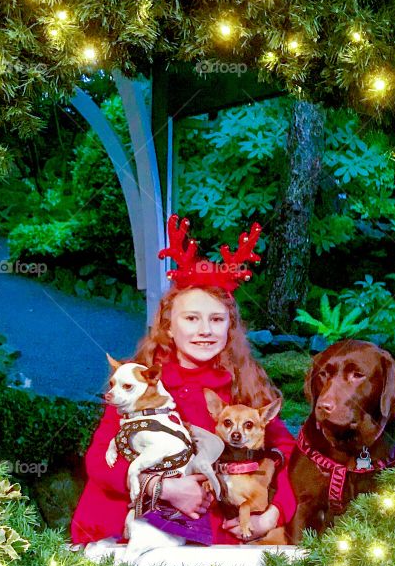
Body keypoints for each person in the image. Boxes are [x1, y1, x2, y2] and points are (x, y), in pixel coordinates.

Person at [70, 217, 296, 546]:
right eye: (191, 318)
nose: (205, 330)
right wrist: (165, 488)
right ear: (169, 327)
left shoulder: (245, 385)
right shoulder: (138, 381)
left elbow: (288, 453)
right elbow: (100, 462)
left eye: (216, 320)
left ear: (228, 330)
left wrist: (274, 514)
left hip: (214, 538)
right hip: (127, 527)